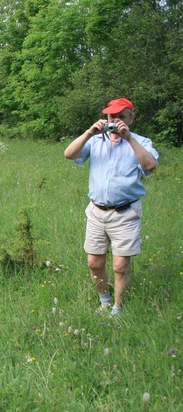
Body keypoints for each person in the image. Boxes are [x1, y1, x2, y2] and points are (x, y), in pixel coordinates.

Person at [63, 98, 158, 315]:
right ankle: (104, 301)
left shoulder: (141, 142)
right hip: (97, 211)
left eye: (121, 117)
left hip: (125, 212)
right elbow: (69, 154)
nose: (115, 122)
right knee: (94, 263)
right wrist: (89, 132)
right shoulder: (96, 141)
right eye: (110, 117)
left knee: (120, 266)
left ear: (131, 118)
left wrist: (129, 138)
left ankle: (118, 308)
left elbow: (150, 166)